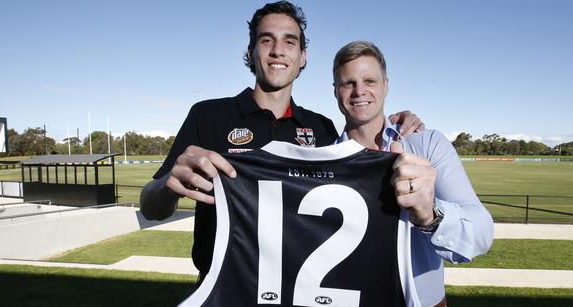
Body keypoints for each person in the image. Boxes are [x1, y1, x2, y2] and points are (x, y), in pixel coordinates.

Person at [139, 1, 423, 276]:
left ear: (302, 57)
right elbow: (152, 209)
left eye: (289, 42)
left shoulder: (321, 128)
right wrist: (168, 186)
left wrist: (396, 121)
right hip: (224, 297)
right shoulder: (208, 116)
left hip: (294, 301)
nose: (278, 51)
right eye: (266, 40)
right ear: (250, 52)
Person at [332, 40, 494, 307]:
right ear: (335, 89)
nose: (359, 91)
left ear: (386, 86)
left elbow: (480, 234)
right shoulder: (324, 160)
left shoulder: (426, 144)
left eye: (370, 81)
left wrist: (429, 215)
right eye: (348, 82)